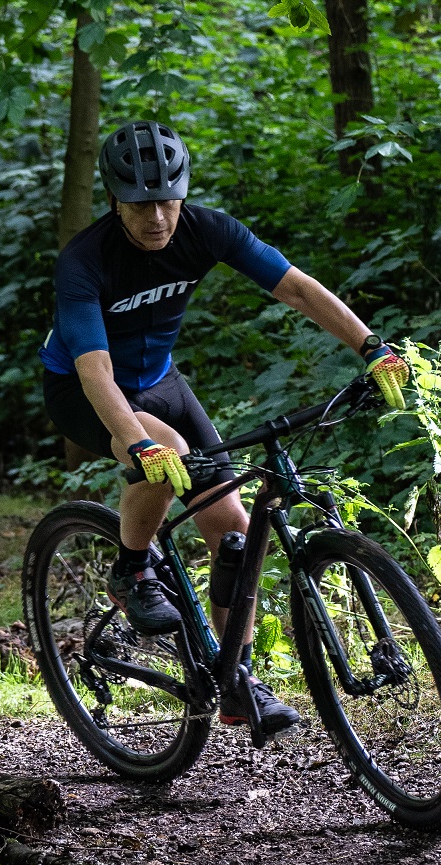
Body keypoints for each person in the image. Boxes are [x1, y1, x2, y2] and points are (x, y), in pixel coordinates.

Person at [41, 121, 409, 746]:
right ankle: (131, 568)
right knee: (166, 454)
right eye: (140, 205)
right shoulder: (83, 261)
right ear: (114, 202)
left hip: (160, 381)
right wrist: (137, 444)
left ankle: (234, 678)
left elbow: (295, 287)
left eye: (167, 200)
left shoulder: (206, 229)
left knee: (235, 531)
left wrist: (370, 346)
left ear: (183, 193)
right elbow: (96, 372)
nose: (157, 217)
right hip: (83, 389)